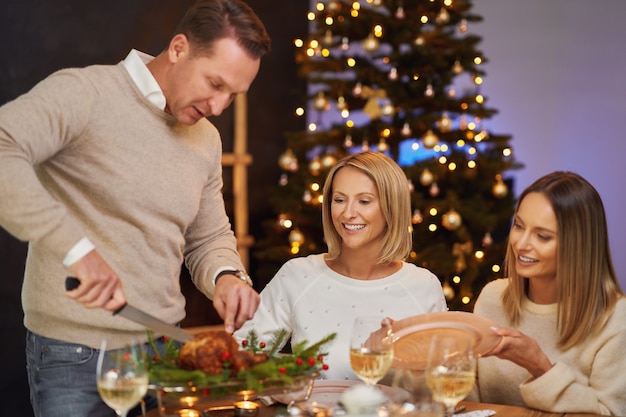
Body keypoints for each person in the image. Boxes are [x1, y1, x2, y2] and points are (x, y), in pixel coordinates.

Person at [0, 1, 270, 416]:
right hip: (74, 356)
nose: (219, 106)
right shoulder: (85, 94)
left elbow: (209, 236)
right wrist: (76, 250)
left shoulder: (206, 140)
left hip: (163, 354)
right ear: (178, 48)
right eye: (215, 84)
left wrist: (227, 276)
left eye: (233, 94)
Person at [234, 151, 447, 380]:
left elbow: (446, 378)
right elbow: (241, 355)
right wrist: (282, 387)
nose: (348, 213)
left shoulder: (424, 286)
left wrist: (406, 355)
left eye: (364, 201)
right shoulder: (298, 275)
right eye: (339, 200)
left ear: (391, 208)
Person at [469, 171, 626, 415]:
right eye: (519, 226)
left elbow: (611, 412)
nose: (521, 244)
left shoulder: (615, 318)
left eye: (542, 236)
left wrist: (539, 366)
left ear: (578, 244)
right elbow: (467, 401)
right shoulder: (493, 298)